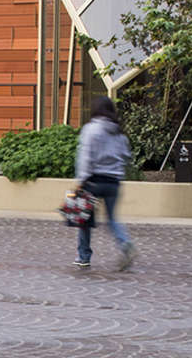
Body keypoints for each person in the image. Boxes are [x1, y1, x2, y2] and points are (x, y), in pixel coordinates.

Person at [73, 96, 136, 271]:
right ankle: (125, 244)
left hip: (93, 181)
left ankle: (83, 257)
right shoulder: (119, 133)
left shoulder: (90, 129)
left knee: (85, 220)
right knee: (112, 219)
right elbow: (126, 156)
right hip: (113, 182)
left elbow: (85, 157)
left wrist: (81, 180)